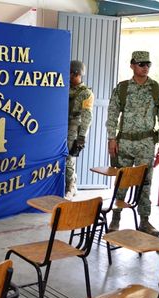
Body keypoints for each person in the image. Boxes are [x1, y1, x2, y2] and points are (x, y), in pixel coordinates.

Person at [106, 50, 159, 236]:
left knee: (145, 183)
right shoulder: (123, 88)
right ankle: (115, 218)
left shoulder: (157, 89)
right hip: (124, 142)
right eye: (141, 64)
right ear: (132, 65)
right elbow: (112, 113)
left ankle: (144, 221)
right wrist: (111, 137)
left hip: (146, 144)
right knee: (122, 182)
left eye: (148, 64)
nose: (145, 68)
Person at [66, 60, 94, 198]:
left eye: (70, 72)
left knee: (69, 159)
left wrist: (82, 136)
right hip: (60, 127)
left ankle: (70, 187)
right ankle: (72, 186)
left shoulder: (86, 93)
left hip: (73, 128)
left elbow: (87, 117)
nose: (68, 75)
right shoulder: (64, 87)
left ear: (77, 73)